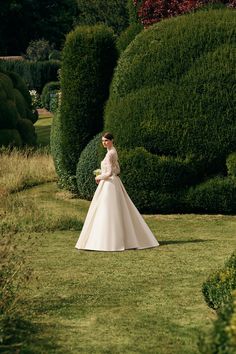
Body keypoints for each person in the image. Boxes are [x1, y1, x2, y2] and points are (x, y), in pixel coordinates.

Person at [75, 132, 159, 251]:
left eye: (106, 140)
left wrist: (98, 177)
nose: (104, 143)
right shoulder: (113, 151)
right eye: (103, 141)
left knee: (108, 210)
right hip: (114, 182)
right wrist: (104, 174)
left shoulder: (110, 154)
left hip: (110, 184)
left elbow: (109, 173)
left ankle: (108, 241)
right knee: (118, 209)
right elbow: (117, 170)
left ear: (112, 140)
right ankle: (123, 239)